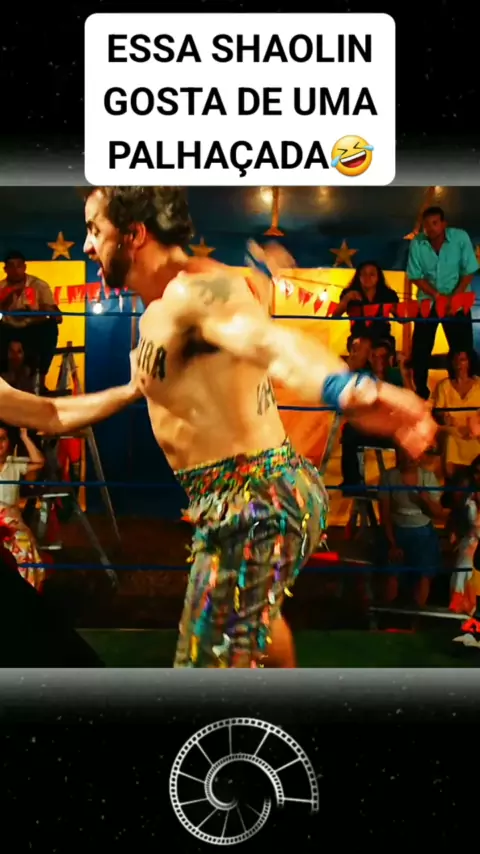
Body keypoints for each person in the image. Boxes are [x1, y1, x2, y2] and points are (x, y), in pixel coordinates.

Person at [79, 186, 437, 669]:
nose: (86, 245)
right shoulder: (190, 295)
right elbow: (252, 332)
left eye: (94, 230)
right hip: (263, 491)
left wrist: (348, 387)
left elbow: (269, 343)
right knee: (258, 619)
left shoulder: (194, 290)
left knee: (205, 662)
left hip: (255, 502)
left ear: (134, 234)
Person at [406, 207, 479, 400]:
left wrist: (454, 298)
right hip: (428, 302)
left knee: (462, 350)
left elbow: (470, 270)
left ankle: (464, 395)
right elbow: (415, 275)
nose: (431, 228)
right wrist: (437, 296)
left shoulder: (460, 238)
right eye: (426, 225)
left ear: (444, 224)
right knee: (420, 350)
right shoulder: (417, 243)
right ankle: (421, 395)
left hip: (458, 301)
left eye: (435, 223)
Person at [0, 251, 63, 388]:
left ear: (24, 267)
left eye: (18, 266)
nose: (15, 270)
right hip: (8, 328)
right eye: (11, 266)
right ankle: (4, 376)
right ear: (5, 269)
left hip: (32, 328)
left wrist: (41, 310)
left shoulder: (39, 285)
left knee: (50, 328)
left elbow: (58, 317)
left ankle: (41, 377)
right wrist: (6, 298)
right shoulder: (1, 286)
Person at [0, 422, 45, 589]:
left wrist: (24, 437)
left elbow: (39, 462)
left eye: (2, 439)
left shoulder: (14, 463)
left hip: (11, 521)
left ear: (9, 442)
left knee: (24, 546)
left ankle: (24, 591)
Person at [433, 349, 480, 480]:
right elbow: (438, 411)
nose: (459, 364)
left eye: (462, 360)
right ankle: (453, 481)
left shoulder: (479, 384)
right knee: (449, 440)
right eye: (456, 360)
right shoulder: (444, 386)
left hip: (474, 432)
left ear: (469, 362)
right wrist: (443, 416)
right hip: (453, 431)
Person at [333, 261, 399, 350]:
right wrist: (346, 299)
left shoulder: (388, 294)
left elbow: (402, 320)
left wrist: (394, 309)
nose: (367, 278)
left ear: (378, 277)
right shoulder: (348, 293)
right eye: (364, 274)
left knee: (380, 352)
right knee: (361, 347)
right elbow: (335, 315)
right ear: (359, 276)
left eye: (372, 274)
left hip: (383, 339)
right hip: (357, 337)